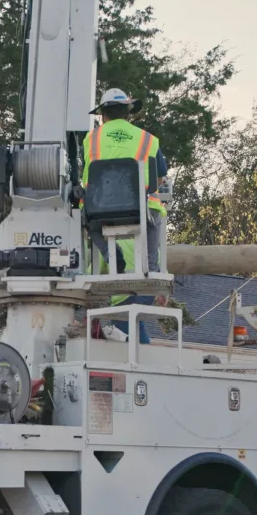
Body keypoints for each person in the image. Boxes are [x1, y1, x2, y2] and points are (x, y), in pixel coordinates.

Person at [82, 87, 168, 343]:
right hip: (143, 210)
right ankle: (151, 270)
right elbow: (158, 178)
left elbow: (88, 179)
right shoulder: (148, 139)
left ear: (103, 116)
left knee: (86, 219)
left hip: (102, 212)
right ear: (128, 114)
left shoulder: (92, 139)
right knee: (154, 218)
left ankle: (111, 253)